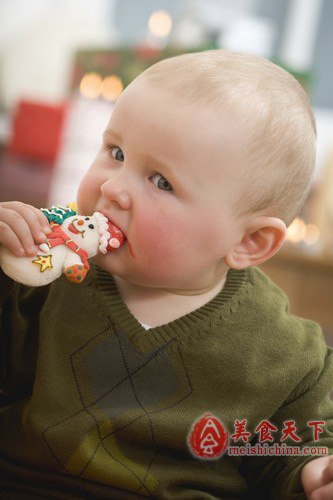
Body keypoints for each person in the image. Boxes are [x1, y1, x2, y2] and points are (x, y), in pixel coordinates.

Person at [0, 50, 332, 499]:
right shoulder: (40, 273)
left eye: (161, 182)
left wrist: (314, 472)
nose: (112, 188)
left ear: (248, 242)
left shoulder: (285, 356)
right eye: (116, 152)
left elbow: (298, 445)